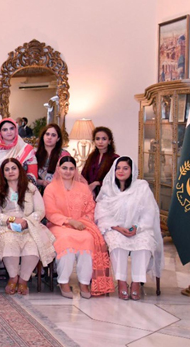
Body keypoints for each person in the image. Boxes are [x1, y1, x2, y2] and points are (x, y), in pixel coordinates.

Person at [43, 156, 115, 299]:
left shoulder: (83, 188)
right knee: (67, 242)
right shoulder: (51, 188)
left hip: (81, 225)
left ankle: (84, 283)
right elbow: (50, 212)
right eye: (64, 168)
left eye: (71, 168)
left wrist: (81, 222)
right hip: (59, 225)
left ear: (75, 170)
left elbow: (91, 209)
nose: (68, 171)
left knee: (88, 239)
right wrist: (69, 222)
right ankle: (63, 282)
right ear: (58, 169)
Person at [95, 157, 163, 301]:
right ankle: (121, 283)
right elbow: (101, 213)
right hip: (114, 228)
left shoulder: (141, 187)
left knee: (144, 245)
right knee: (117, 244)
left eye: (125, 168)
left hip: (139, 228)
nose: (121, 171)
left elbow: (149, 212)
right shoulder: (108, 188)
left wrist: (136, 228)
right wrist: (117, 227)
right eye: (118, 168)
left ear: (132, 171)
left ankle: (136, 283)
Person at [0, 158, 56, 295]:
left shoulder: (31, 189)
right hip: (6, 226)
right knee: (9, 243)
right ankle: (13, 278)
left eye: (13, 168)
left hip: (29, 225)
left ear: (20, 170)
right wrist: (12, 219)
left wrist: (26, 221)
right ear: (3, 173)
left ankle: (24, 280)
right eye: (7, 169)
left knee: (32, 246)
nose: (10, 172)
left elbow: (40, 211)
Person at [0, 118, 38, 189]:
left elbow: (32, 176)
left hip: (22, 190)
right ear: (0, 132)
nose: (9, 132)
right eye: (5, 130)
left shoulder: (26, 149)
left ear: (16, 130)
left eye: (11, 128)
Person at [82, 126, 119, 198]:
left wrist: (97, 183)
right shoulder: (91, 157)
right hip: (89, 194)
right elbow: (83, 176)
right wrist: (88, 189)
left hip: (107, 196)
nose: (100, 142)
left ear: (109, 141)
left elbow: (116, 180)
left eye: (104, 139)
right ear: (94, 141)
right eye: (97, 139)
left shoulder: (115, 158)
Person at [34, 124, 70, 192]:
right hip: (37, 191)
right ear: (43, 136)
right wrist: (42, 182)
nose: (49, 137)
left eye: (53, 135)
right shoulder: (34, 154)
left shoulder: (64, 154)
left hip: (58, 191)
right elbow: (28, 176)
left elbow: (69, 175)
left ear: (58, 139)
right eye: (47, 134)